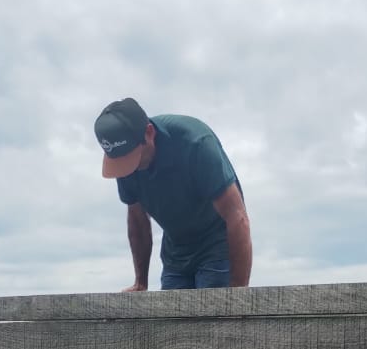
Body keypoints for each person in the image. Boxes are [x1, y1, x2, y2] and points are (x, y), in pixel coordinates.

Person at [95, 98, 252, 292]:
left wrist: (238, 293)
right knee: (172, 318)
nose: (131, 167)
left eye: (133, 158)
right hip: (176, 255)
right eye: (123, 161)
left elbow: (237, 217)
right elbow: (137, 222)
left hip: (216, 247)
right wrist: (141, 282)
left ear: (149, 133)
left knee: (213, 318)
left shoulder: (196, 143)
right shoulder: (125, 163)